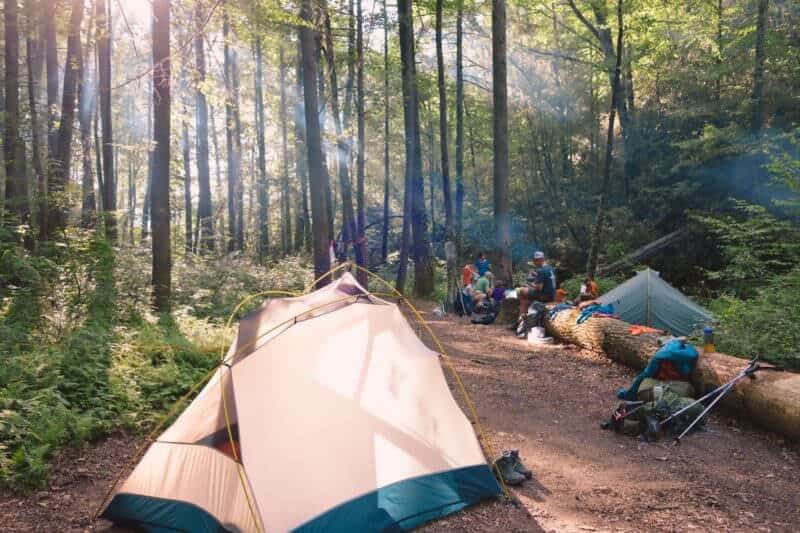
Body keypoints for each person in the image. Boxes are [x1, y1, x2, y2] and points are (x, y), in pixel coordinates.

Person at [516, 251, 556, 318]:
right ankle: (527, 310)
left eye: (536, 260)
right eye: (534, 260)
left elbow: (538, 288)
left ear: (542, 259)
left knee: (521, 291)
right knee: (526, 298)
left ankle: (522, 316)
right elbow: (547, 279)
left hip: (544, 296)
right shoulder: (550, 268)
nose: (535, 262)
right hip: (552, 294)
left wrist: (529, 284)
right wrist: (536, 275)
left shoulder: (541, 271)